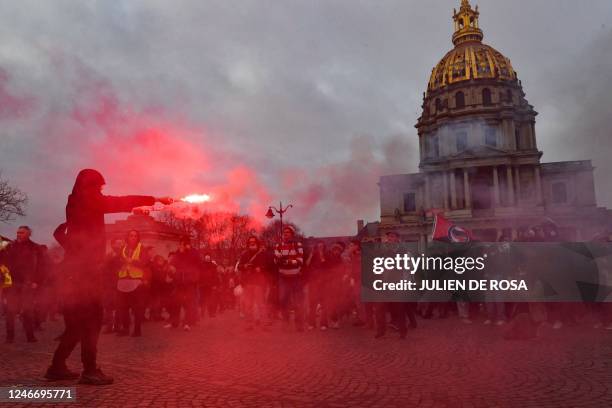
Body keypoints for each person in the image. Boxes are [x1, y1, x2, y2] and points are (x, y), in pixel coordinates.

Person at [45, 168, 172, 385]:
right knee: (92, 322)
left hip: (75, 272)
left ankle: (57, 367)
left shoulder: (75, 202)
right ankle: (90, 370)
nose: (101, 191)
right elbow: (118, 202)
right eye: (99, 187)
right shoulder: (87, 200)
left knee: (76, 325)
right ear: (91, 186)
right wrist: (154, 199)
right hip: (84, 273)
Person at [1, 226, 45, 343]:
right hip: (13, 283)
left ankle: (30, 336)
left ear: (29, 234)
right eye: (18, 232)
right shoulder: (10, 247)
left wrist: (37, 281)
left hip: (28, 283)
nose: (18, 234)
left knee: (28, 311)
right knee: (10, 311)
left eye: (22, 232)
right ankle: (10, 337)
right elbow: (4, 264)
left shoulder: (35, 248)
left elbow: (42, 267)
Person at [115, 230, 150, 337]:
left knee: (137, 308)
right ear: (128, 237)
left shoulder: (142, 249)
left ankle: (137, 329)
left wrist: (133, 261)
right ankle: (125, 328)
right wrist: (120, 263)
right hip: (123, 281)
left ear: (138, 238)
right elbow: (117, 261)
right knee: (123, 307)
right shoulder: (123, 248)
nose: (133, 237)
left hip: (136, 282)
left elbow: (145, 262)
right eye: (131, 235)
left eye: (135, 236)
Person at [274, 225, 305, 331]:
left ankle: (299, 324)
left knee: (297, 301)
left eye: (288, 232)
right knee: (283, 300)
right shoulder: (278, 245)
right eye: (284, 232)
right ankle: (286, 323)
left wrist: (288, 261)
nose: (285, 234)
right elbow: (276, 259)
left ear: (292, 234)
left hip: (295, 276)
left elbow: (300, 260)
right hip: (283, 277)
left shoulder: (297, 245)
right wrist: (279, 260)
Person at [235, 236, 268, 330]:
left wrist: (260, 268)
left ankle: (264, 324)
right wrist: (245, 266)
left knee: (261, 304)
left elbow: (267, 266)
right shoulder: (245, 254)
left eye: (253, 242)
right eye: (250, 242)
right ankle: (249, 324)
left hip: (259, 282)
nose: (252, 243)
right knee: (248, 305)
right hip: (248, 282)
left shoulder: (262, 254)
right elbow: (239, 267)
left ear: (257, 243)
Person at [167, 238, 200, 331]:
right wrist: (171, 271)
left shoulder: (193, 254)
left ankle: (187, 323)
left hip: (189, 283)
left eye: (183, 244)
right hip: (178, 282)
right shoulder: (177, 255)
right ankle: (174, 322)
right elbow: (172, 266)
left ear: (187, 245)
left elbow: (198, 266)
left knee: (189, 303)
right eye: (180, 244)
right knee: (176, 302)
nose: (180, 246)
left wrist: (193, 278)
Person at [306, 241, 331, 331]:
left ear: (324, 247)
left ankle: (324, 324)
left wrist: (321, 255)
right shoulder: (313, 255)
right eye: (318, 246)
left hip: (323, 283)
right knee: (312, 304)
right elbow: (307, 264)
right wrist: (311, 254)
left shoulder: (327, 255)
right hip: (313, 282)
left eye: (321, 246)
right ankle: (311, 323)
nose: (320, 248)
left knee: (324, 304)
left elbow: (326, 265)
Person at [199, 253, 219, 318]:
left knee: (211, 300)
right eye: (206, 257)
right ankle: (202, 313)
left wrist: (215, 285)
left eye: (208, 257)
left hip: (211, 286)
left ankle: (211, 313)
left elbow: (215, 276)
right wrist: (200, 283)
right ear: (204, 258)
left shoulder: (213, 266)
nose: (207, 258)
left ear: (210, 258)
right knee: (203, 300)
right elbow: (199, 275)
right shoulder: (201, 265)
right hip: (203, 286)